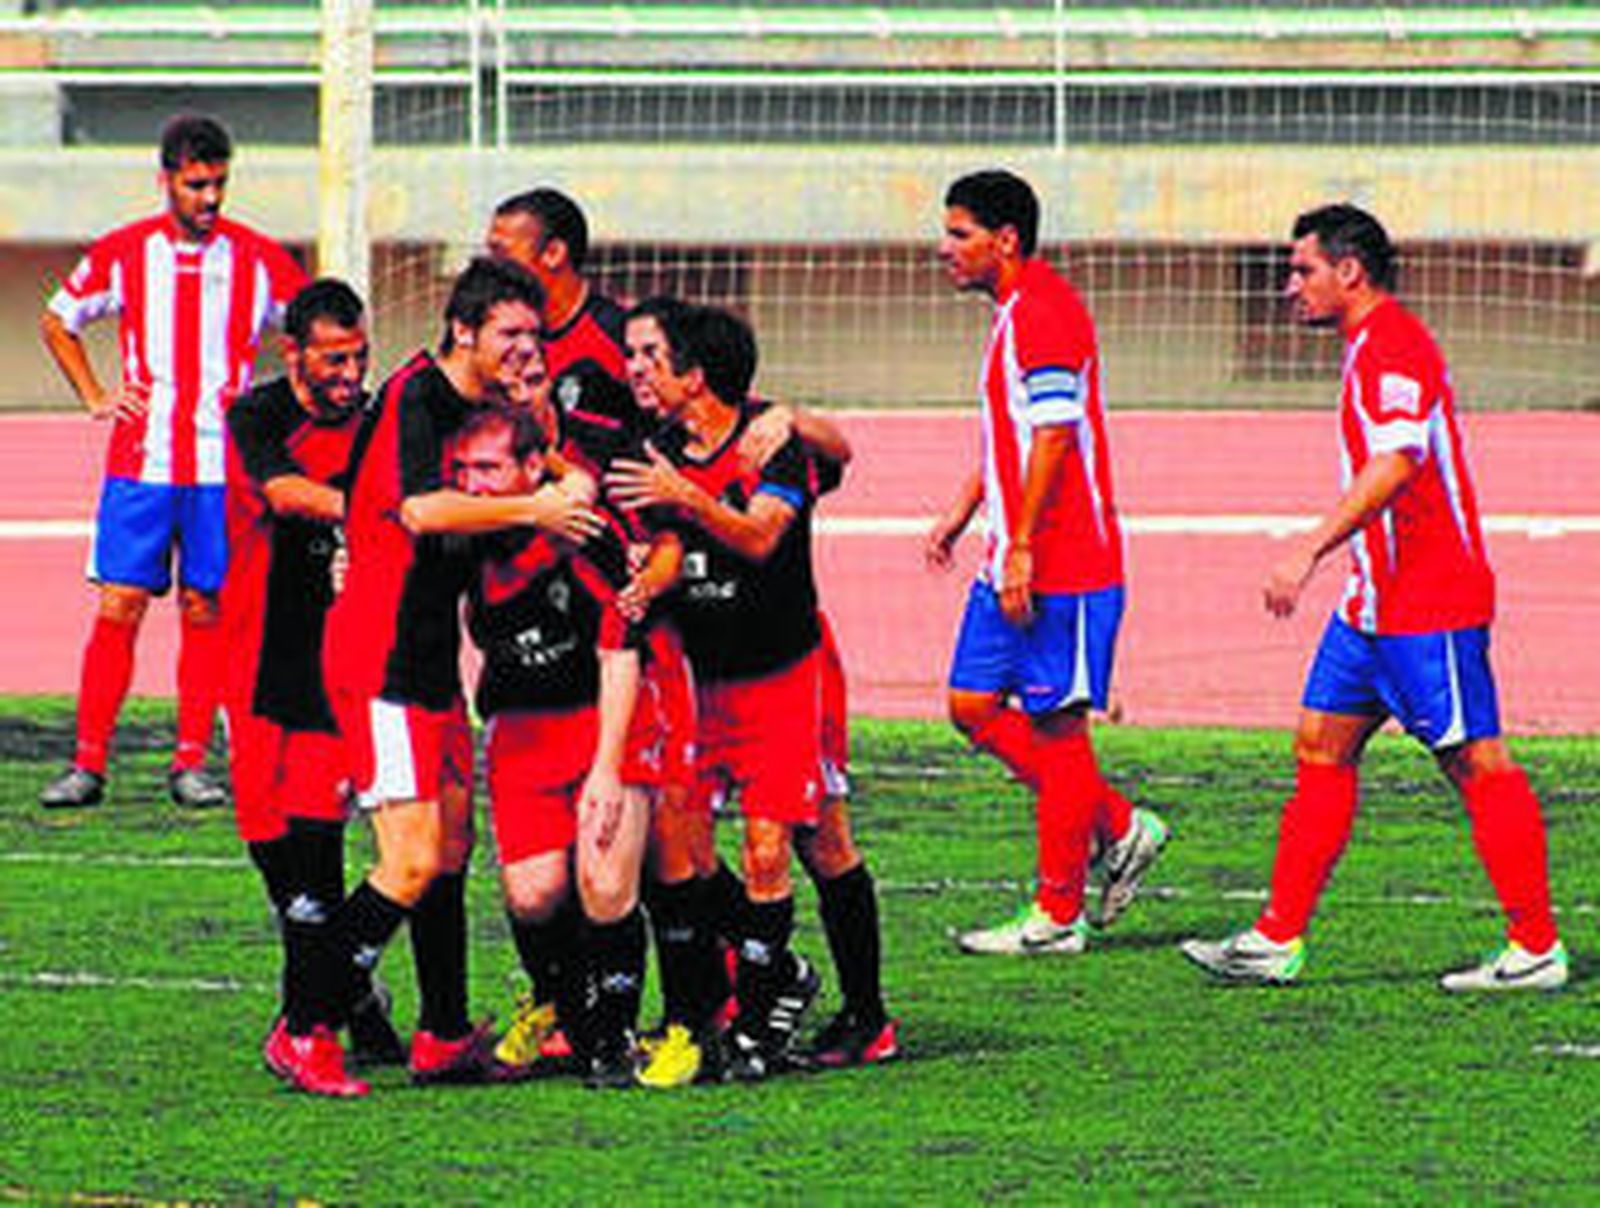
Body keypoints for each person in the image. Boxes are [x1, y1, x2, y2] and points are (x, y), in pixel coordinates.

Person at [1180, 203, 1567, 990]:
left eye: (1303, 270)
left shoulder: (1395, 345)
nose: (1290, 286)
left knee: (1476, 762)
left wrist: (1308, 548)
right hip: (1372, 606)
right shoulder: (1368, 347)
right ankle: (1276, 938)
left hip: (1430, 602)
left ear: (1349, 270)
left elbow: (1396, 462)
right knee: (1320, 745)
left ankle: (1535, 947)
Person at [309, 257, 602, 1091]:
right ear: (463, 331)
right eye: (509, 332)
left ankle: (442, 1033)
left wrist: (558, 471)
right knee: (408, 862)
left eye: (533, 333)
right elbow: (420, 509)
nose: (524, 347)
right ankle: (303, 1025)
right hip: (381, 659)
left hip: (429, 664)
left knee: (448, 851)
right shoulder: (416, 395)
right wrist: (537, 506)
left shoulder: (475, 406)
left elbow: (543, 473)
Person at [925, 169, 1168, 956]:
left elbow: (1057, 439)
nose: (945, 248)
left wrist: (1025, 543)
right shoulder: (1016, 312)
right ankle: (1119, 825)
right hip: (1013, 554)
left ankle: (1057, 917)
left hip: (1066, 562)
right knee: (971, 704)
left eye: (959, 234)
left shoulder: (1045, 313)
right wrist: (966, 509)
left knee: (1059, 730)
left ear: (1006, 240)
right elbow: (1020, 433)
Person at [38, 112, 308, 810]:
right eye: (196, 185)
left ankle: (191, 763)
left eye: (219, 184)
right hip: (143, 462)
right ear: (166, 181)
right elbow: (58, 319)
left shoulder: (258, 259)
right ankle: (87, 763)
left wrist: (288, 412)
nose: (210, 198)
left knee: (205, 607)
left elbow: (315, 332)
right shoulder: (125, 252)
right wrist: (95, 395)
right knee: (120, 603)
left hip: (224, 469)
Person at [607, 300, 834, 1083]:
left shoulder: (770, 442)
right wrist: (644, 576)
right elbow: (660, 541)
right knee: (690, 861)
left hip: (779, 677)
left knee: (769, 850)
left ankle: (759, 1027)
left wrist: (688, 497)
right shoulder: (654, 451)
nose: (636, 370)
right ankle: (785, 976)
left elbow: (762, 537)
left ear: (695, 375)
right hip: (697, 686)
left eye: (651, 357)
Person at [224, 278, 401, 1098]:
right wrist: (368, 515)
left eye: (359, 356)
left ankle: (311, 1029)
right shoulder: (256, 415)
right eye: (335, 359)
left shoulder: (379, 417)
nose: (351, 373)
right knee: (273, 851)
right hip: (255, 662)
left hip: (335, 668)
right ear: (293, 352)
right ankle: (351, 999)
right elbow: (285, 492)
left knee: (318, 847)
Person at [454, 403, 658, 1088]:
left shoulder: (581, 536)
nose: (474, 484)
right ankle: (568, 1017)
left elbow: (620, 651)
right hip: (519, 732)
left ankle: (615, 1041)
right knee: (534, 895)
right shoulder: (463, 537)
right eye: (464, 469)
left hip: (602, 719)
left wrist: (607, 768)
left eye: (489, 468)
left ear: (533, 467)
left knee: (604, 883)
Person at [486, 188, 627, 379]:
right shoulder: (489, 336)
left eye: (501, 253)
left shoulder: (620, 339)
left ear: (553, 253)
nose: (488, 267)